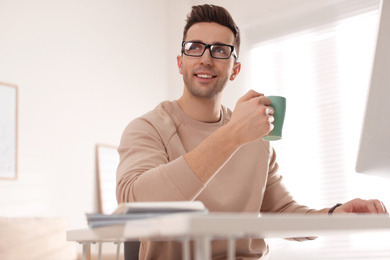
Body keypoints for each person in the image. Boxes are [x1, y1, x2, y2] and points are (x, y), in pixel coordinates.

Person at [116, 4, 387, 260]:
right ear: (180, 62)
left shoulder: (255, 137)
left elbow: (279, 212)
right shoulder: (148, 128)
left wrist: (332, 216)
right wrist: (231, 136)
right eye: (195, 47)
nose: (206, 58)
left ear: (235, 69)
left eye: (220, 50)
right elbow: (135, 205)